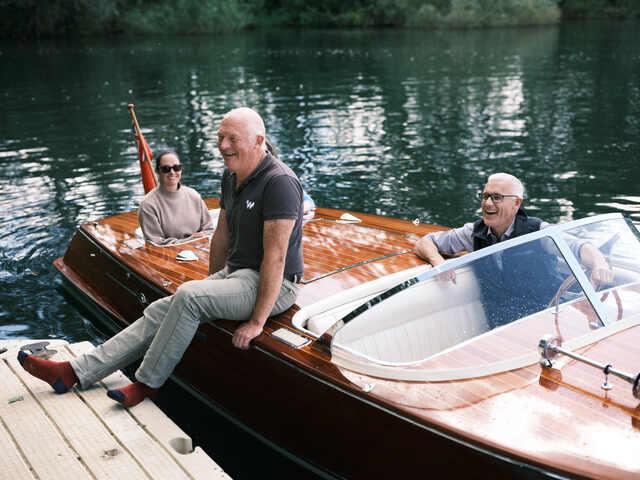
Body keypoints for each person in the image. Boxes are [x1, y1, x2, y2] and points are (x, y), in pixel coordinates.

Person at [18, 107, 304, 407]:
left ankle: (147, 384)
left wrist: (257, 321)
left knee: (189, 296)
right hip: (238, 274)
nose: (223, 146)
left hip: (275, 284)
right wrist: (212, 286)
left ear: (258, 140)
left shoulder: (279, 183)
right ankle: (73, 372)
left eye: (233, 139)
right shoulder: (232, 176)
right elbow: (221, 235)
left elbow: (276, 257)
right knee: (160, 309)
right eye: (220, 137)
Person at [414, 173, 613, 326]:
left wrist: (599, 263)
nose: (487, 203)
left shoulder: (539, 232)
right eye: (485, 196)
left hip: (546, 319)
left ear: (516, 203)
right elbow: (424, 242)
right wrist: (438, 262)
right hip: (500, 326)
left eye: (496, 197)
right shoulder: (473, 232)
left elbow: (580, 247)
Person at [138, 150, 213, 245]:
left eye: (176, 168)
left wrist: (198, 240)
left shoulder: (194, 195)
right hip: (169, 253)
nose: (172, 172)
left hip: (200, 248)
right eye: (166, 169)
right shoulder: (148, 205)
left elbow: (209, 229)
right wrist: (189, 240)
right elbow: (156, 243)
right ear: (157, 171)